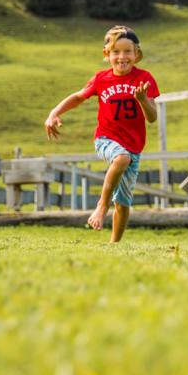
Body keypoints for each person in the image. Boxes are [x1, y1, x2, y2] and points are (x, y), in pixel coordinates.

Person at [44, 26, 160, 242]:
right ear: (107, 55)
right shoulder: (101, 79)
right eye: (116, 52)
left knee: (123, 203)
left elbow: (152, 118)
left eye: (128, 51)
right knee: (121, 158)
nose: (122, 57)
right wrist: (54, 112)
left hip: (134, 145)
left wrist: (143, 100)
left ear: (137, 54)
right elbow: (78, 97)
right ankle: (101, 206)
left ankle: (114, 245)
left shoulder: (145, 78)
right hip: (106, 139)